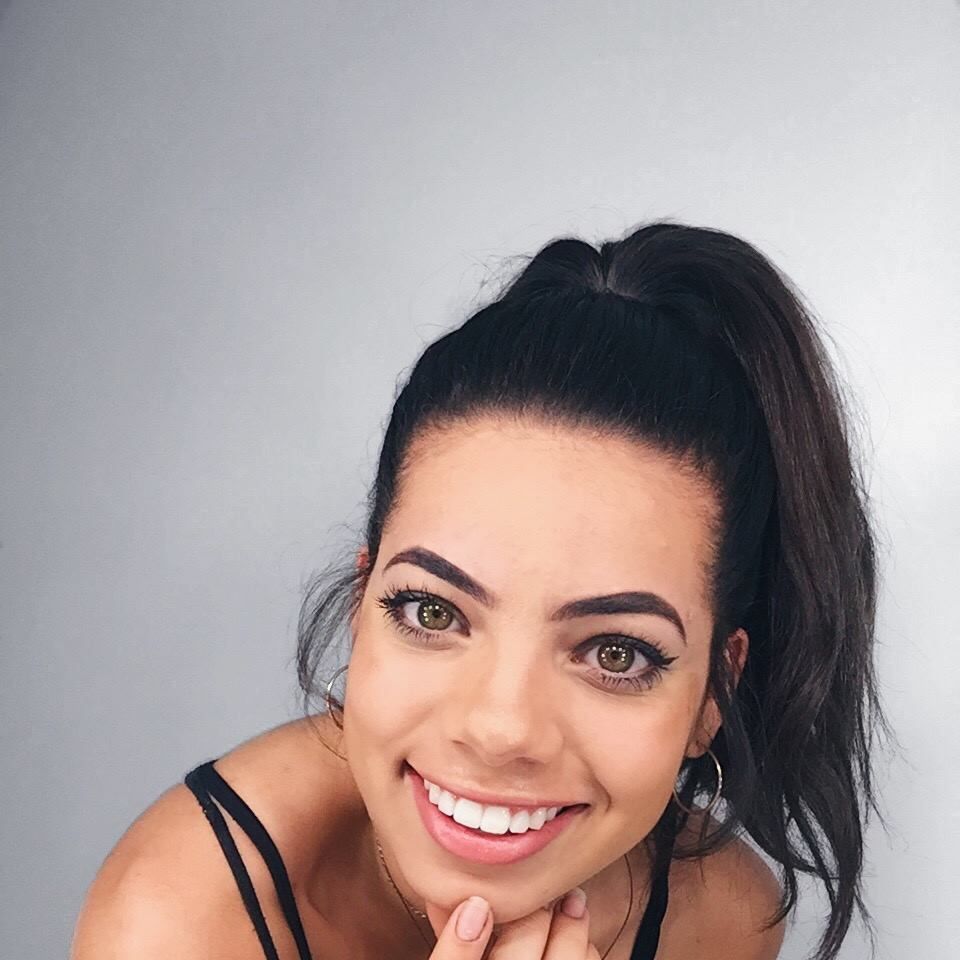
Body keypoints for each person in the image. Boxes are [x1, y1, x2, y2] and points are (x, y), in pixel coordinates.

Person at [71, 220, 885, 960]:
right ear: (362, 607)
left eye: (615, 653)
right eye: (433, 611)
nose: (500, 730)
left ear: (713, 693)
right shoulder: (177, 923)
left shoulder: (717, 921)